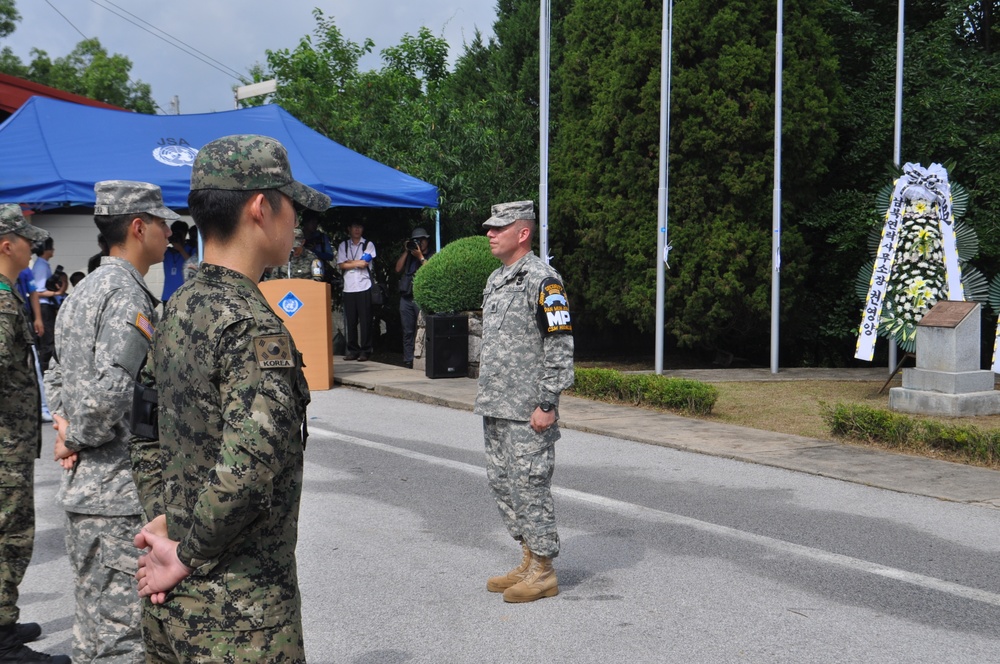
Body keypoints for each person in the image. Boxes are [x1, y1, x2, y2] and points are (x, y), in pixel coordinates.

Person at [130, 134, 329, 663]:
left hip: (170, 602)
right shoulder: (251, 326)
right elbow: (247, 467)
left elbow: (143, 426)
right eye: (294, 208)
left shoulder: (174, 308)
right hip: (240, 617)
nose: (299, 225)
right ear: (262, 207)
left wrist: (166, 527)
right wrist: (186, 553)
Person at [44, 181, 178, 664]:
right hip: (118, 494)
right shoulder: (127, 296)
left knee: (92, 631)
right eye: (162, 222)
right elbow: (111, 395)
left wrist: (63, 427)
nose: (170, 230)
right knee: (123, 639)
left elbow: (56, 370)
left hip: (89, 492)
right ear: (137, 228)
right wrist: (73, 436)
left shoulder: (83, 291)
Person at [474, 200, 574, 604]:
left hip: (528, 410)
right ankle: (528, 557)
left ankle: (544, 571)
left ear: (523, 233)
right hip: (497, 405)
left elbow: (560, 344)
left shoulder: (543, 280)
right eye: (490, 228)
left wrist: (547, 402)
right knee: (504, 484)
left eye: (499, 227)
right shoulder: (497, 279)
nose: (490, 234)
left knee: (531, 486)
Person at [0, 204, 71, 664]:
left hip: (12, 442)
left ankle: (3, 618)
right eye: (26, 239)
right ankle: (3, 643)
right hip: (3, 447)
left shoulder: (9, 292)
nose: (33, 247)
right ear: (6, 244)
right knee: (9, 534)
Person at [394, 226, 434, 368]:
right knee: (407, 331)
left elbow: (431, 272)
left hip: (419, 298)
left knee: (423, 329)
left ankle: (425, 358)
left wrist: (420, 257)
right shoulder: (409, 256)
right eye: (416, 240)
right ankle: (408, 359)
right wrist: (407, 251)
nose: (419, 243)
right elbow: (398, 269)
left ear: (427, 241)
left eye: (422, 240)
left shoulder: (431, 254)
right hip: (406, 298)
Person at [336, 220, 376, 361]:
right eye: (354, 226)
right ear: (349, 228)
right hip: (349, 287)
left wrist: (349, 263)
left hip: (364, 286)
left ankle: (365, 351)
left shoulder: (368, 244)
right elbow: (341, 265)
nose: (357, 229)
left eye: (359, 226)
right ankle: (353, 350)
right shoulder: (344, 245)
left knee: (365, 320)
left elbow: (364, 263)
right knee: (351, 321)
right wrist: (355, 263)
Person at [31, 237, 64, 370]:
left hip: (46, 306)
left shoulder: (43, 264)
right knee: (48, 341)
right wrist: (55, 294)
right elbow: (37, 291)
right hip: (43, 307)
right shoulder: (40, 266)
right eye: (51, 247)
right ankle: (46, 369)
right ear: (46, 249)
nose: (53, 250)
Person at [161, 220, 192, 302]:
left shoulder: (190, 249)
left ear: (185, 234)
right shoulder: (167, 251)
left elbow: (193, 264)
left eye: (179, 234)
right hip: (168, 296)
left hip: (185, 296)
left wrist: (181, 249)